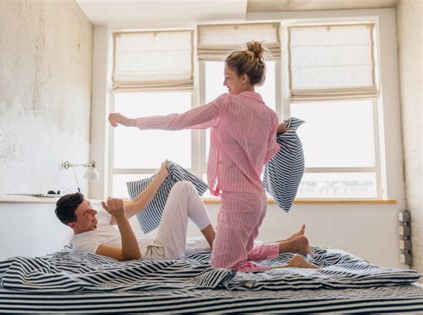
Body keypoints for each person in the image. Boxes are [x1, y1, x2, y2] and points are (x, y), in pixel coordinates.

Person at [108, 41, 304, 272]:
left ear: (243, 78)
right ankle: (292, 247)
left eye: (228, 77)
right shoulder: (270, 116)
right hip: (257, 200)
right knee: (237, 254)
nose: (224, 83)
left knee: (222, 268)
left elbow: (178, 121)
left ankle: (291, 268)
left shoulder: (227, 103)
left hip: (238, 201)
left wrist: (132, 122)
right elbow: (265, 155)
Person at [54, 162, 317, 269]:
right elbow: (130, 256)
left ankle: (290, 245)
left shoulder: (96, 214)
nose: (93, 213)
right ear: (72, 224)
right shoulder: (82, 244)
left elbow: (136, 205)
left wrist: (160, 176)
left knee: (226, 245)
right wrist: (121, 218)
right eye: (86, 213)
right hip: (155, 254)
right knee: (183, 188)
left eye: (91, 206)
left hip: (156, 242)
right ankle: (286, 263)